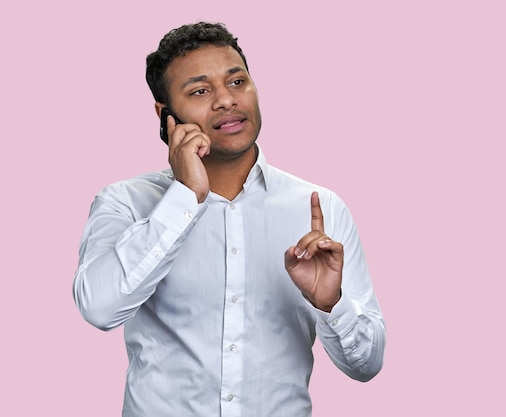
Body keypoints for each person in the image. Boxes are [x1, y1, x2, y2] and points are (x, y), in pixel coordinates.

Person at [73, 21, 385, 417]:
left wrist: (331, 305)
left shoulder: (319, 208)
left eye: (237, 82)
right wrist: (186, 196)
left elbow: (367, 367)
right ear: (165, 114)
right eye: (200, 91)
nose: (225, 101)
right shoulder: (127, 202)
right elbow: (100, 309)